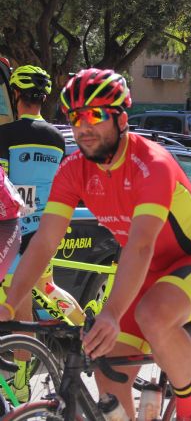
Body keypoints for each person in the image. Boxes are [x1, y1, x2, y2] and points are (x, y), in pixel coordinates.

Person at [0, 68, 191, 420]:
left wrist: (110, 314)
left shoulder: (152, 163)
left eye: (94, 115)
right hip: (146, 271)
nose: (83, 127)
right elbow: (44, 242)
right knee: (108, 371)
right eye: (75, 117)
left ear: (121, 119)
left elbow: (140, 246)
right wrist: (8, 304)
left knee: (153, 315)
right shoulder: (73, 169)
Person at [0, 64, 71, 402]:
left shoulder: (5, 135)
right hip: (45, 230)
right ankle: (84, 331)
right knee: (45, 289)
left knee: (19, 308)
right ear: (43, 98)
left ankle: (20, 386)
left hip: (13, 230)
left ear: (15, 95)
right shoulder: (58, 138)